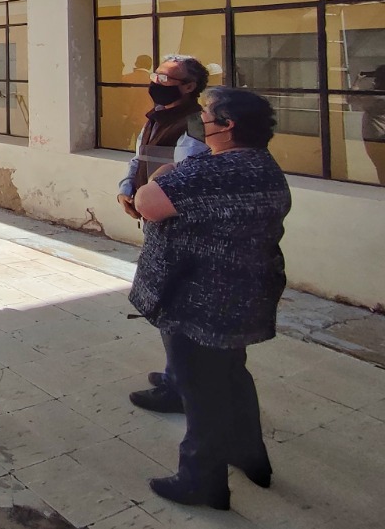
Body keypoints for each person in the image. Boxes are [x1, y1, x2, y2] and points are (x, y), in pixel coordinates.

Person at [130, 87, 290, 510]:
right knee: (231, 373)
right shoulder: (264, 165)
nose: (200, 120)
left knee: (201, 388)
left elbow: (148, 202)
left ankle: (202, 480)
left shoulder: (212, 171)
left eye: (207, 114)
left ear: (228, 126)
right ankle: (249, 453)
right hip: (246, 291)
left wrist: (161, 175)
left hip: (199, 295)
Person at [120, 54, 211, 414]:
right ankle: (176, 373)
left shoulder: (196, 124)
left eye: (166, 79)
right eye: (155, 75)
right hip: (156, 222)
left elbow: (188, 178)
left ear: (189, 86)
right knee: (167, 304)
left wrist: (149, 201)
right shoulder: (156, 118)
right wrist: (127, 189)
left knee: (176, 305)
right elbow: (139, 159)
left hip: (179, 228)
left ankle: (180, 388)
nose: (156, 83)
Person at [350, 64, 385, 184]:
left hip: (375, 135)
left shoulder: (375, 97)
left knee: (381, 167)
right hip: (381, 135)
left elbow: (350, 98)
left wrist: (357, 82)